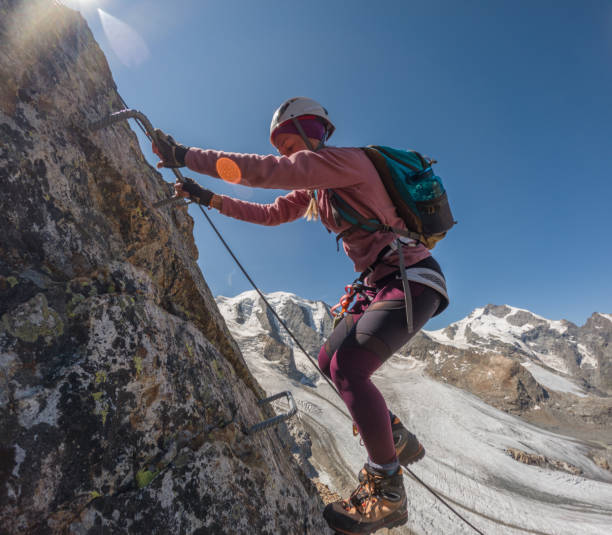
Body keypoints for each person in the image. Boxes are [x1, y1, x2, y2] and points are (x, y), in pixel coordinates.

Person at [152, 97, 449, 534]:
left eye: (290, 144)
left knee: (349, 366)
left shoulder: (343, 163)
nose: (286, 155)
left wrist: (185, 157)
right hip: (384, 280)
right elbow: (271, 214)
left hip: (411, 278)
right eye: (282, 147)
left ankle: (387, 491)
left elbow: (265, 173)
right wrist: (208, 198)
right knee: (330, 359)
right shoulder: (318, 186)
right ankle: (395, 436)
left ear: (313, 133)